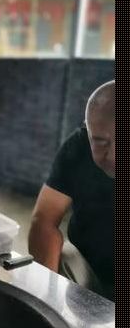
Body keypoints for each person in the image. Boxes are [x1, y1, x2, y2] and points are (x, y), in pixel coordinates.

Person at [28, 81, 115, 301]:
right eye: (101, 142)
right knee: (64, 256)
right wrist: (46, 296)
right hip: (86, 269)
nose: (113, 157)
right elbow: (44, 219)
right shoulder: (77, 147)